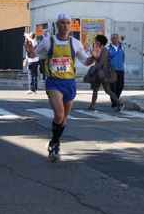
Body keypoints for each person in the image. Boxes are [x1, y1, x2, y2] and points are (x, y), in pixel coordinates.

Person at [24, 13, 101, 162]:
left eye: (68, 23)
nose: (65, 26)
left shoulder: (76, 43)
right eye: (62, 23)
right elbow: (35, 55)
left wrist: (94, 57)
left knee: (64, 118)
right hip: (53, 82)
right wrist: (29, 51)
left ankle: (53, 141)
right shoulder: (47, 41)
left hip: (69, 83)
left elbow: (86, 61)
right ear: (57, 24)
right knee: (59, 115)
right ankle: (56, 145)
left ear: (70, 26)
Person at [85, 34, 125, 112]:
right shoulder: (98, 49)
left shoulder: (105, 50)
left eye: (96, 41)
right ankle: (92, 106)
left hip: (103, 72)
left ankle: (119, 103)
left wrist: (95, 69)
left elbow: (102, 62)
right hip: (98, 72)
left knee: (107, 90)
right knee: (95, 90)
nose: (95, 42)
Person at [108, 33, 125, 108]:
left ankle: (116, 99)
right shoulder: (108, 49)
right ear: (111, 39)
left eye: (116, 38)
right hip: (112, 71)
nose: (115, 39)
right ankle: (114, 103)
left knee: (120, 86)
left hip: (120, 70)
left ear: (118, 39)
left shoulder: (122, 48)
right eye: (113, 38)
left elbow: (123, 58)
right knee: (113, 87)